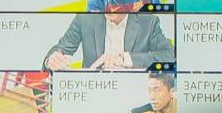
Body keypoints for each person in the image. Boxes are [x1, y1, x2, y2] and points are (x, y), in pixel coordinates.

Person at [43, 12, 174, 71]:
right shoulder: (85, 19)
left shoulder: (148, 22)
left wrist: (124, 59)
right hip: (93, 92)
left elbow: (169, 56)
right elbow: (60, 49)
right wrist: (51, 61)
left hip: (132, 92)